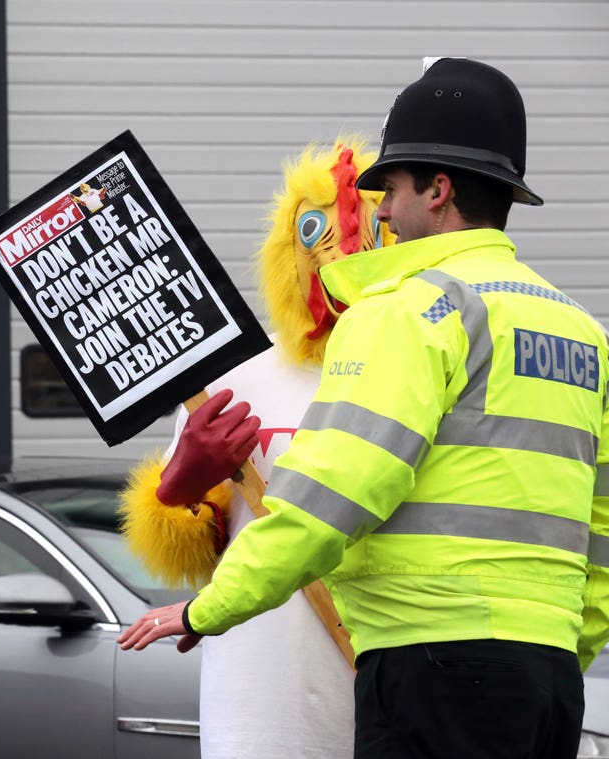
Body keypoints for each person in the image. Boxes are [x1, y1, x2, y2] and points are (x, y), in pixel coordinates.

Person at [118, 58, 609, 759]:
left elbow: (332, 492)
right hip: (548, 678)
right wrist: (566, 646)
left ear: (439, 190)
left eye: (393, 188)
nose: (380, 210)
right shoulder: (580, 329)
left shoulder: (406, 310)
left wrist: (208, 609)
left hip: (431, 668)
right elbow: (602, 528)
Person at [118, 138, 393, 758]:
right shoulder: (241, 372)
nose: (338, 248)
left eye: (369, 223)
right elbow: (186, 539)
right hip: (256, 696)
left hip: (389, 685)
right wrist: (183, 482)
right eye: (314, 226)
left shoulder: (426, 364)